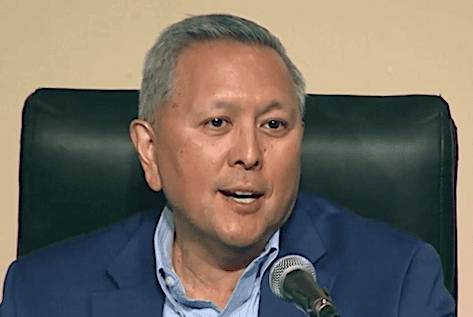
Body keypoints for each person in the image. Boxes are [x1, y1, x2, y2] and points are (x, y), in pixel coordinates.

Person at [0, 14, 455, 317]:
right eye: (217, 122)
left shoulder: (398, 284)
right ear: (149, 149)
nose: (250, 154)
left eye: (274, 125)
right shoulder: (42, 295)